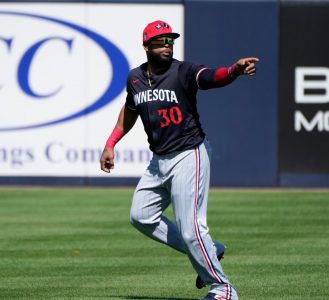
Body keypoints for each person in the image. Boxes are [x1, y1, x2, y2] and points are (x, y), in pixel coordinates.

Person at [99, 20, 258, 300]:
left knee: (191, 228)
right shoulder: (135, 78)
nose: (167, 45)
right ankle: (211, 250)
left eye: (170, 40)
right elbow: (131, 109)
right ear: (146, 46)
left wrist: (233, 71)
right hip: (159, 160)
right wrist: (111, 143)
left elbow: (211, 77)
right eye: (160, 41)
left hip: (189, 154)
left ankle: (223, 289)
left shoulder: (183, 71)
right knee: (141, 216)